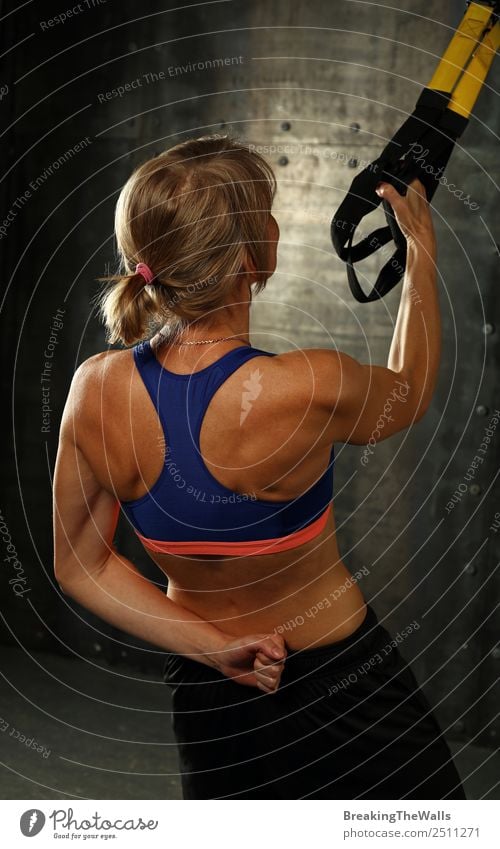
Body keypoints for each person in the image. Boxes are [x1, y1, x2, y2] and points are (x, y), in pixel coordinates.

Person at [53, 135, 466, 800]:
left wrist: (213, 646)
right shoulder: (304, 386)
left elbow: (80, 564)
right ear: (258, 254)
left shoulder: (93, 390)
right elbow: (409, 389)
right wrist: (419, 255)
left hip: (209, 691)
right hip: (343, 687)